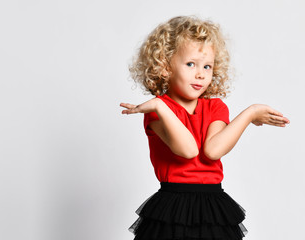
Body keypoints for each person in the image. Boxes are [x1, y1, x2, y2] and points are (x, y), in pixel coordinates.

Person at [120, 16, 289, 240]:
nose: (201, 73)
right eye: (191, 64)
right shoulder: (158, 110)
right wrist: (160, 106)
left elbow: (213, 151)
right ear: (165, 66)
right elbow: (188, 150)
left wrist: (250, 113)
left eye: (207, 66)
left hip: (213, 207)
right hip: (172, 206)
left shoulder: (215, 107)